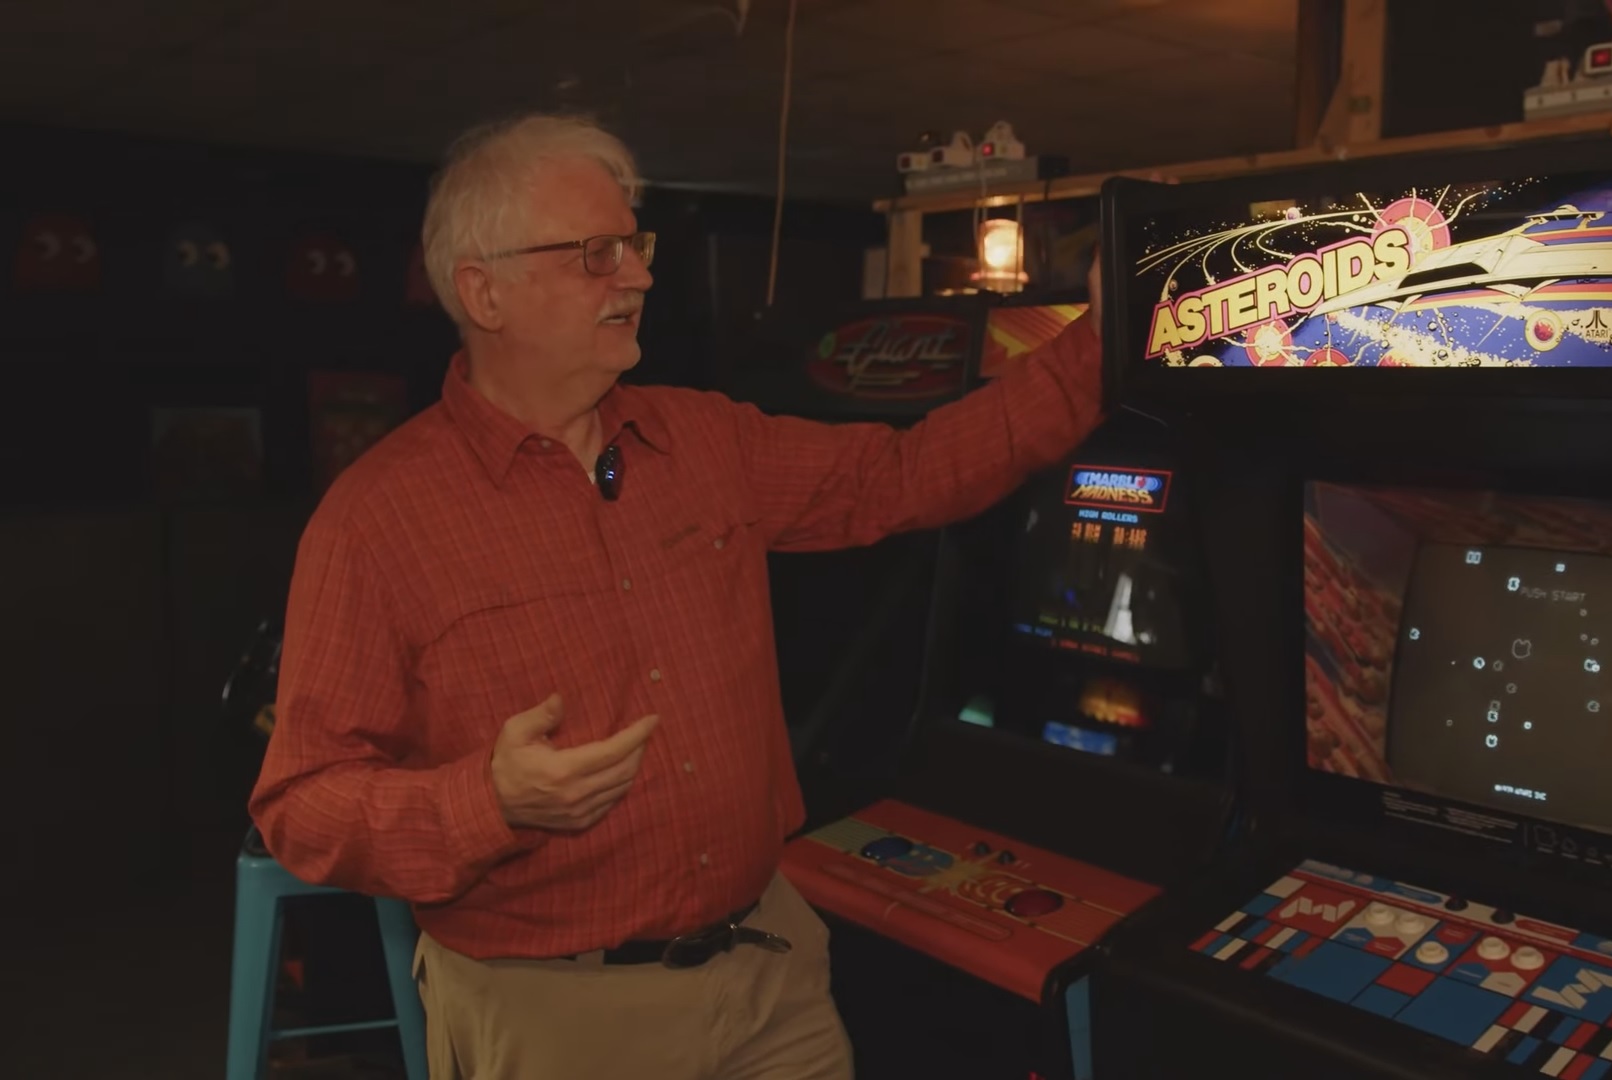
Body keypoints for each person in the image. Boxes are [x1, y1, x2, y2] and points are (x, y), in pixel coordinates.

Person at [249, 111, 1106, 1080]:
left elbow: (903, 475)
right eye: (596, 254)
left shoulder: (701, 441)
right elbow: (303, 806)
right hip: (560, 1020)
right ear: (483, 293)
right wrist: (486, 801)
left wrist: (1099, 346)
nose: (640, 276)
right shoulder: (375, 523)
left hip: (769, 977)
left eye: (636, 245)